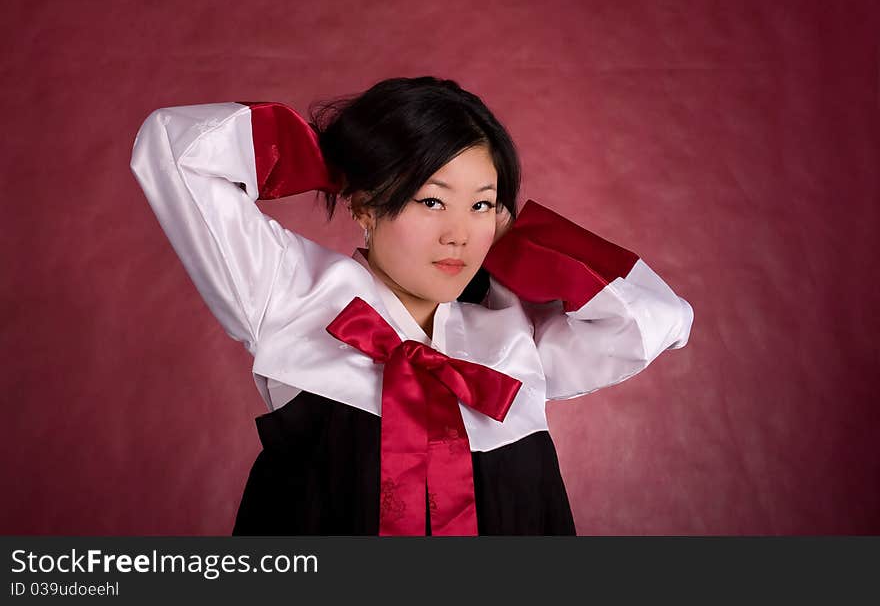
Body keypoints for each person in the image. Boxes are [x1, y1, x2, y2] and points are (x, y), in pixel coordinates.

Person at [129, 76, 694, 536]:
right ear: (367, 208)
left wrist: (524, 246)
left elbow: (654, 318)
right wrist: (335, 161)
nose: (459, 235)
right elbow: (176, 149)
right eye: (430, 200)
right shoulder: (291, 294)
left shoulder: (515, 336)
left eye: (481, 205)